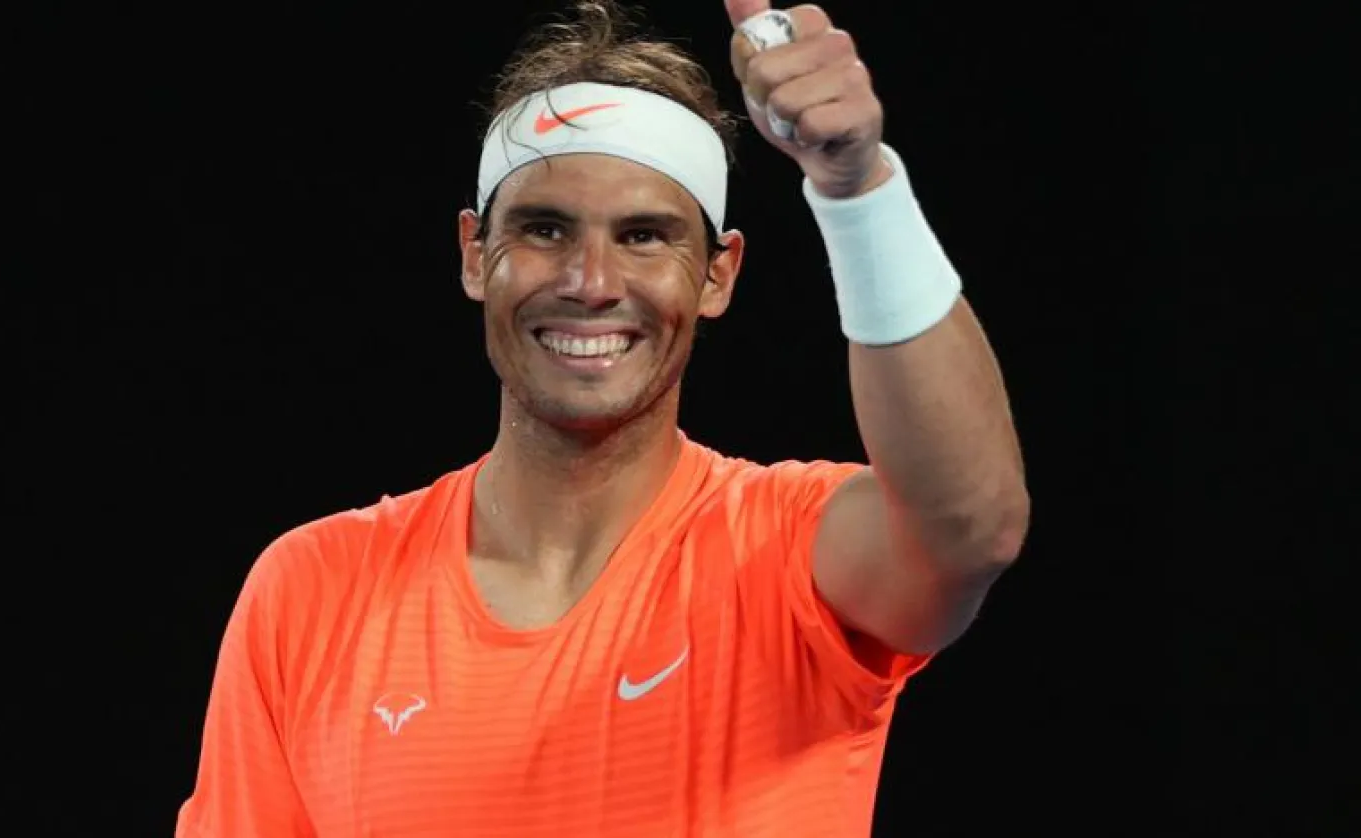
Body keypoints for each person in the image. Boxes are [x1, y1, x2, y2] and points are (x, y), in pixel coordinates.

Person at [175, 0, 1029, 834]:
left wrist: (857, 188)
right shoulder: (312, 588)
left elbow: (970, 529)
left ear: (718, 274)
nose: (590, 281)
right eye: (545, 229)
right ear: (476, 254)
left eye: (645, 236)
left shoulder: (791, 553)